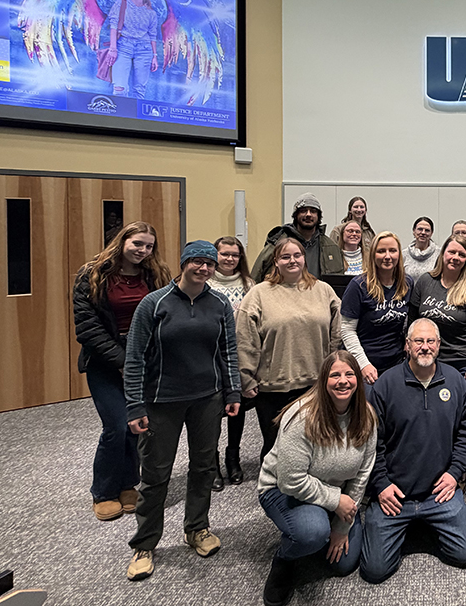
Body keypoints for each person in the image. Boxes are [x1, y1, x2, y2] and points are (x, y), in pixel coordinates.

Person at [123, 241, 241, 580]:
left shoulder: (219, 303)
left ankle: (197, 529)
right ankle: (145, 544)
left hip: (207, 398)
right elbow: (134, 359)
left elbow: (228, 352)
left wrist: (231, 390)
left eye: (209, 264)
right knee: (156, 475)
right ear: (184, 263)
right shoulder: (154, 303)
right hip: (161, 402)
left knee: (204, 467)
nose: (203, 269)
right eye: (197, 262)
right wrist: (134, 405)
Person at [359, 319, 466, 584]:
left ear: (439, 345)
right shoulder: (385, 385)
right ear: (407, 346)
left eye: (431, 341)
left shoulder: (456, 382)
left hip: (438, 493)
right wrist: (380, 485)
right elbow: (370, 441)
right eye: (418, 342)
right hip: (394, 495)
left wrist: (454, 474)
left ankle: (421, 524)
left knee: (464, 554)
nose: (425, 347)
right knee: (374, 570)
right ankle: (412, 525)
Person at [258, 351, 378, 606]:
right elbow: (290, 480)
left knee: (345, 564)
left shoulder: (366, 416)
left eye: (349, 374)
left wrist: (342, 527)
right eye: (335, 375)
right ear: (324, 380)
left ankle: (315, 536)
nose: (343, 381)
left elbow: (362, 475)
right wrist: (336, 502)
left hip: (333, 493)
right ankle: (285, 558)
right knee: (313, 533)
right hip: (282, 491)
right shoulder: (302, 416)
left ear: (358, 379)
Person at [73, 221, 172, 522]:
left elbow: (163, 316)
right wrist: (121, 361)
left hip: (145, 360)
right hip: (105, 362)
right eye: (137, 244)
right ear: (122, 241)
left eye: (148, 246)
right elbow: (87, 327)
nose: (142, 251)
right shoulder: (91, 275)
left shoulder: (155, 275)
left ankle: (128, 483)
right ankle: (103, 491)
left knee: (137, 425)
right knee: (116, 427)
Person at [237, 237, 341, 464]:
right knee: (275, 448)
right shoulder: (259, 293)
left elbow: (337, 330)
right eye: (285, 256)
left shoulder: (323, 290)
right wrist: (246, 377)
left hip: (314, 384)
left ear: (304, 258)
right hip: (273, 386)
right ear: (276, 261)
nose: (292, 261)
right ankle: (271, 494)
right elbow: (245, 338)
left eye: (297, 255)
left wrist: (331, 366)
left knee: (314, 444)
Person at [410, 235, 466, 387]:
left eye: (462, 255)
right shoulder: (425, 281)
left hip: (461, 363)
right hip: (427, 358)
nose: (456, 257)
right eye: (452, 252)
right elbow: (412, 319)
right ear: (443, 254)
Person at [207, 236, 254, 489]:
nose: (229, 259)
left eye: (234, 255)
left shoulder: (249, 284)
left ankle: (232, 457)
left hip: (240, 355)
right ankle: (211, 462)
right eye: (224, 254)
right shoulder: (207, 281)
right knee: (213, 411)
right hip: (212, 357)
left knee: (238, 409)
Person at [340, 232, 412, 384]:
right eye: (381, 251)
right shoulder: (358, 286)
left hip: (395, 362)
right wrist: (363, 364)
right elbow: (347, 330)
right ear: (373, 254)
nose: (387, 256)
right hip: (364, 363)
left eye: (392, 250)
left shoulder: (407, 284)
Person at [250, 193, 343, 282]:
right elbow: (256, 275)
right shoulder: (277, 243)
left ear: (318, 216)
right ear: (296, 215)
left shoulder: (331, 247)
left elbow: (339, 283)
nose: (308, 214)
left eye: (313, 211)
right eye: (303, 211)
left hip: (318, 297)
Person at [103, 0, 160, 99]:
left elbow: (152, 36)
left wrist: (154, 56)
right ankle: (118, 116)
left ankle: (136, 117)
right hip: (123, 46)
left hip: (144, 50)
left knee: (139, 90)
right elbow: (113, 26)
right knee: (119, 88)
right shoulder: (121, 3)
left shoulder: (151, 13)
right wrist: (113, 49)